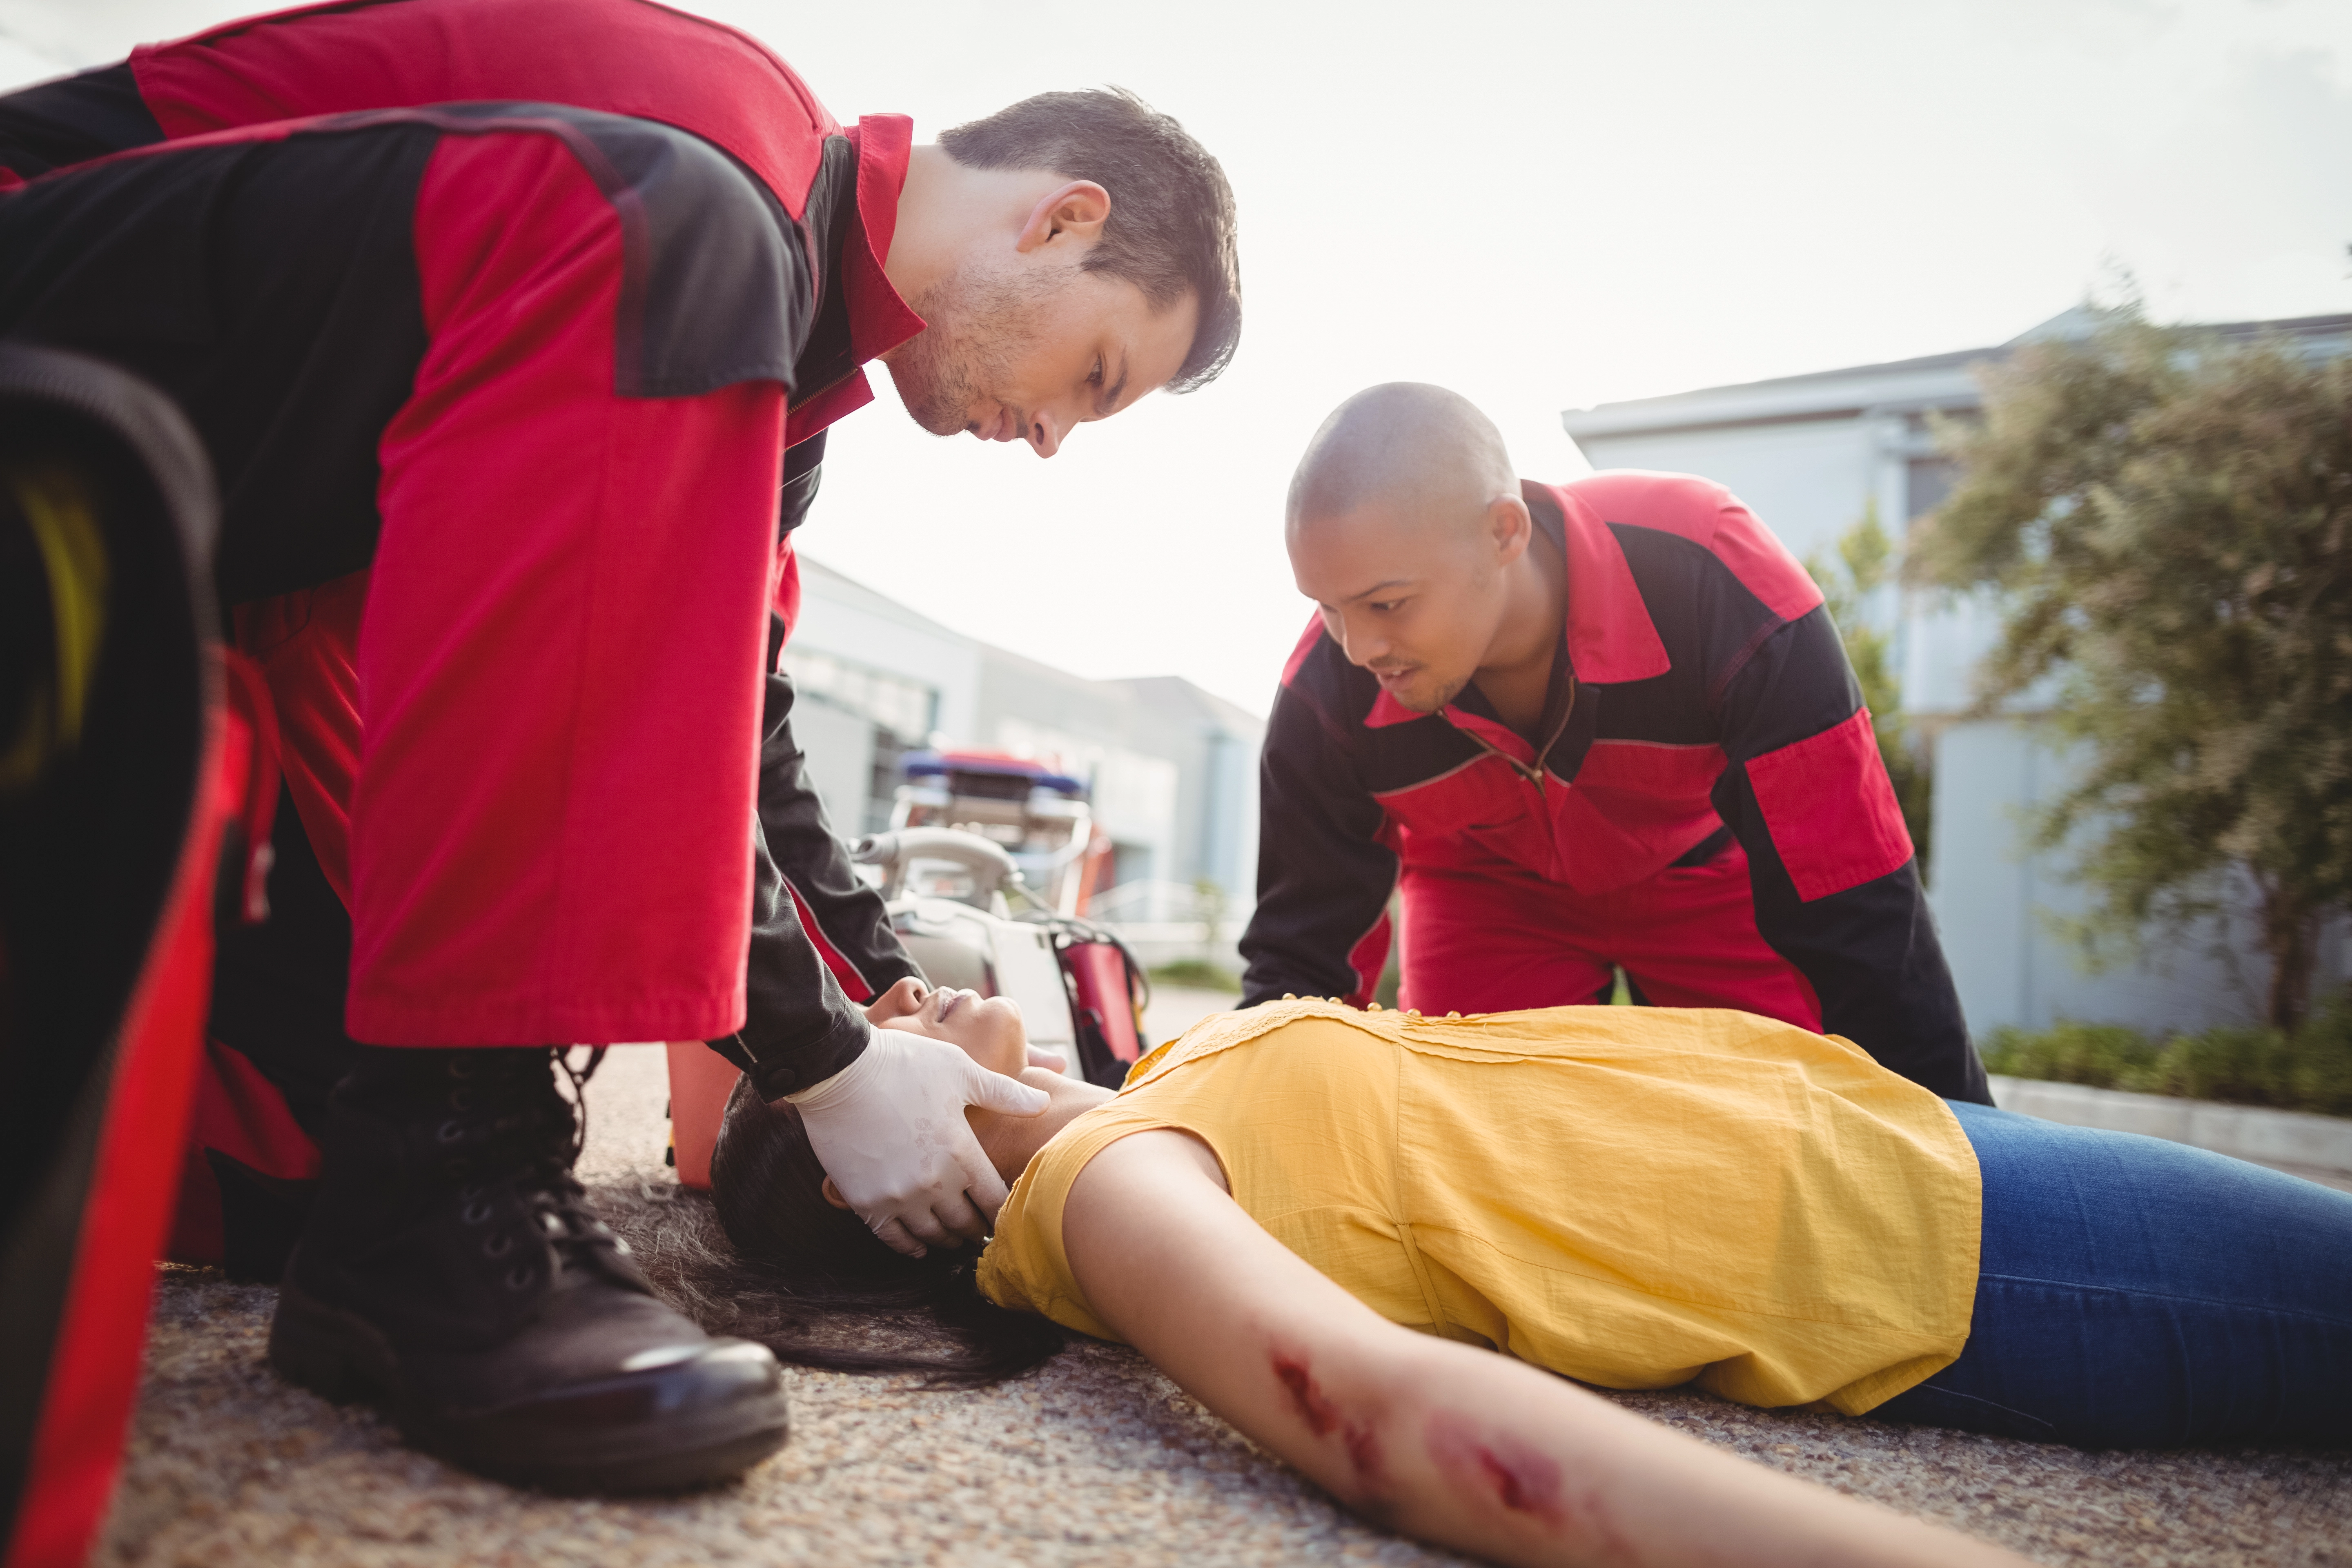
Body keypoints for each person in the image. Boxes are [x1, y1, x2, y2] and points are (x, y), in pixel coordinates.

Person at [0, 0, 1240, 1492]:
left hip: (211, 539)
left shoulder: (777, 392)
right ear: (1061, 221)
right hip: (52, 336)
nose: (1049, 441)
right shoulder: (717, 145)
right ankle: (457, 1152)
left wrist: (869, 1004)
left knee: (316, 1156)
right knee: (680, 221)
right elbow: (626, 682)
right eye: (1095, 379)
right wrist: (822, 1062)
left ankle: (392, 1184)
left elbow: (734, 729)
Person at [711, 989, 2352, 1567]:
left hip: (1893, 1146)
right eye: (870, 1037)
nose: (901, 999)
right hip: (1943, 1254)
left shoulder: (1128, 1106)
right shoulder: (1104, 1193)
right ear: (878, 1178)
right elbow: (1383, 1417)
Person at [1240, 383, 1985, 1102]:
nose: (1358, 648)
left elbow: (1852, 897)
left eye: (1387, 604)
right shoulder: (1324, 689)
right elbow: (1300, 963)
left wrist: (1972, 1151)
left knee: (1790, 1118)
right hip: (1486, 889)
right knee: (1473, 1132)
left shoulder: (1716, 576)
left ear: (1504, 532)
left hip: (1705, 871)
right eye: (1329, 608)